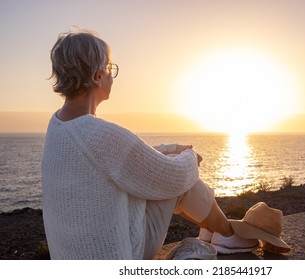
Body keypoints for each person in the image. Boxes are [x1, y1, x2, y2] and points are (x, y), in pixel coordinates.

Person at [41, 30, 258, 260]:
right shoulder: (100, 134)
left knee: (167, 167)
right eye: (110, 69)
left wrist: (170, 150)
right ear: (97, 75)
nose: (112, 77)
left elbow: (122, 161)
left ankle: (216, 230)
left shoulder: (57, 125)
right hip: (120, 255)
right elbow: (172, 175)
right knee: (182, 181)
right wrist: (190, 158)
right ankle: (227, 234)